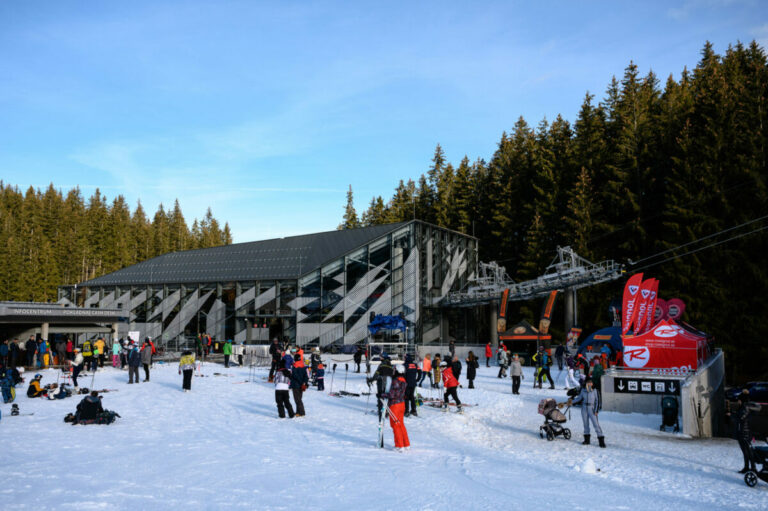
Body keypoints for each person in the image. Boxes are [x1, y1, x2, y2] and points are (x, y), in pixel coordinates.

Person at [728, 390, 760, 473]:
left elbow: (740, 418)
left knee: (748, 451)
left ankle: (753, 468)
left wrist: (731, 415)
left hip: (745, 433)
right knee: (745, 451)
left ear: (741, 400)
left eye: (738, 400)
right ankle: (747, 467)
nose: (738, 401)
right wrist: (733, 413)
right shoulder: (743, 407)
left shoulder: (745, 407)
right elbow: (740, 416)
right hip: (742, 432)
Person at [569, 377, 605, 447]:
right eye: (588, 382)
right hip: (584, 408)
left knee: (596, 425)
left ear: (592, 383)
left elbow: (598, 401)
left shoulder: (595, 391)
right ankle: (587, 440)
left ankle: (601, 440)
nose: (589, 384)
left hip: (592, 408)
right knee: (585, 424)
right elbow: (579, 398)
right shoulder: (583, 390)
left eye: (590, 382)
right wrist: (570, 402)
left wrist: (596, 410)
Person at [384, 364, 410, 451]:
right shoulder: (404, 380)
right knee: (401, 424)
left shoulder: (395, 381)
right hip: (402, 404)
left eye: (394, 370)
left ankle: (399, 446)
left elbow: (392, 394)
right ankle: (406, 444)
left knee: (395, 425)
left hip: (395, 405)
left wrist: (382, 394)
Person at [368, 352, 394, 420]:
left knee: (380, 396)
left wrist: (372, 379)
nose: (380, 358)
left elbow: (377, 372)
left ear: (384, 357)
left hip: (381, 381)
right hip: (389, 382)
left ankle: (381, 411)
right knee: (386, 396)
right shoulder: (391, 364)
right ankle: (387, 411)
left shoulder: (382, 364)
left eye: (381, 357)